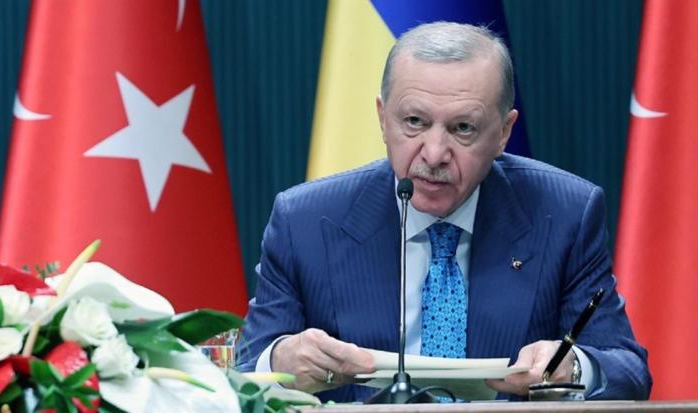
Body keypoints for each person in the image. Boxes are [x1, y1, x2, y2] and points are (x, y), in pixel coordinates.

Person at [236, 22, 651, 402]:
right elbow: (243, 372)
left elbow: (628, 372)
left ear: (503, 132)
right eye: (414, 122)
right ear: (383, 118)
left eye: (462, 128)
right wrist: (281, 361)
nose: (434, 154)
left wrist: (573, 367)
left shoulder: (562, 214)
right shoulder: (305, 221)